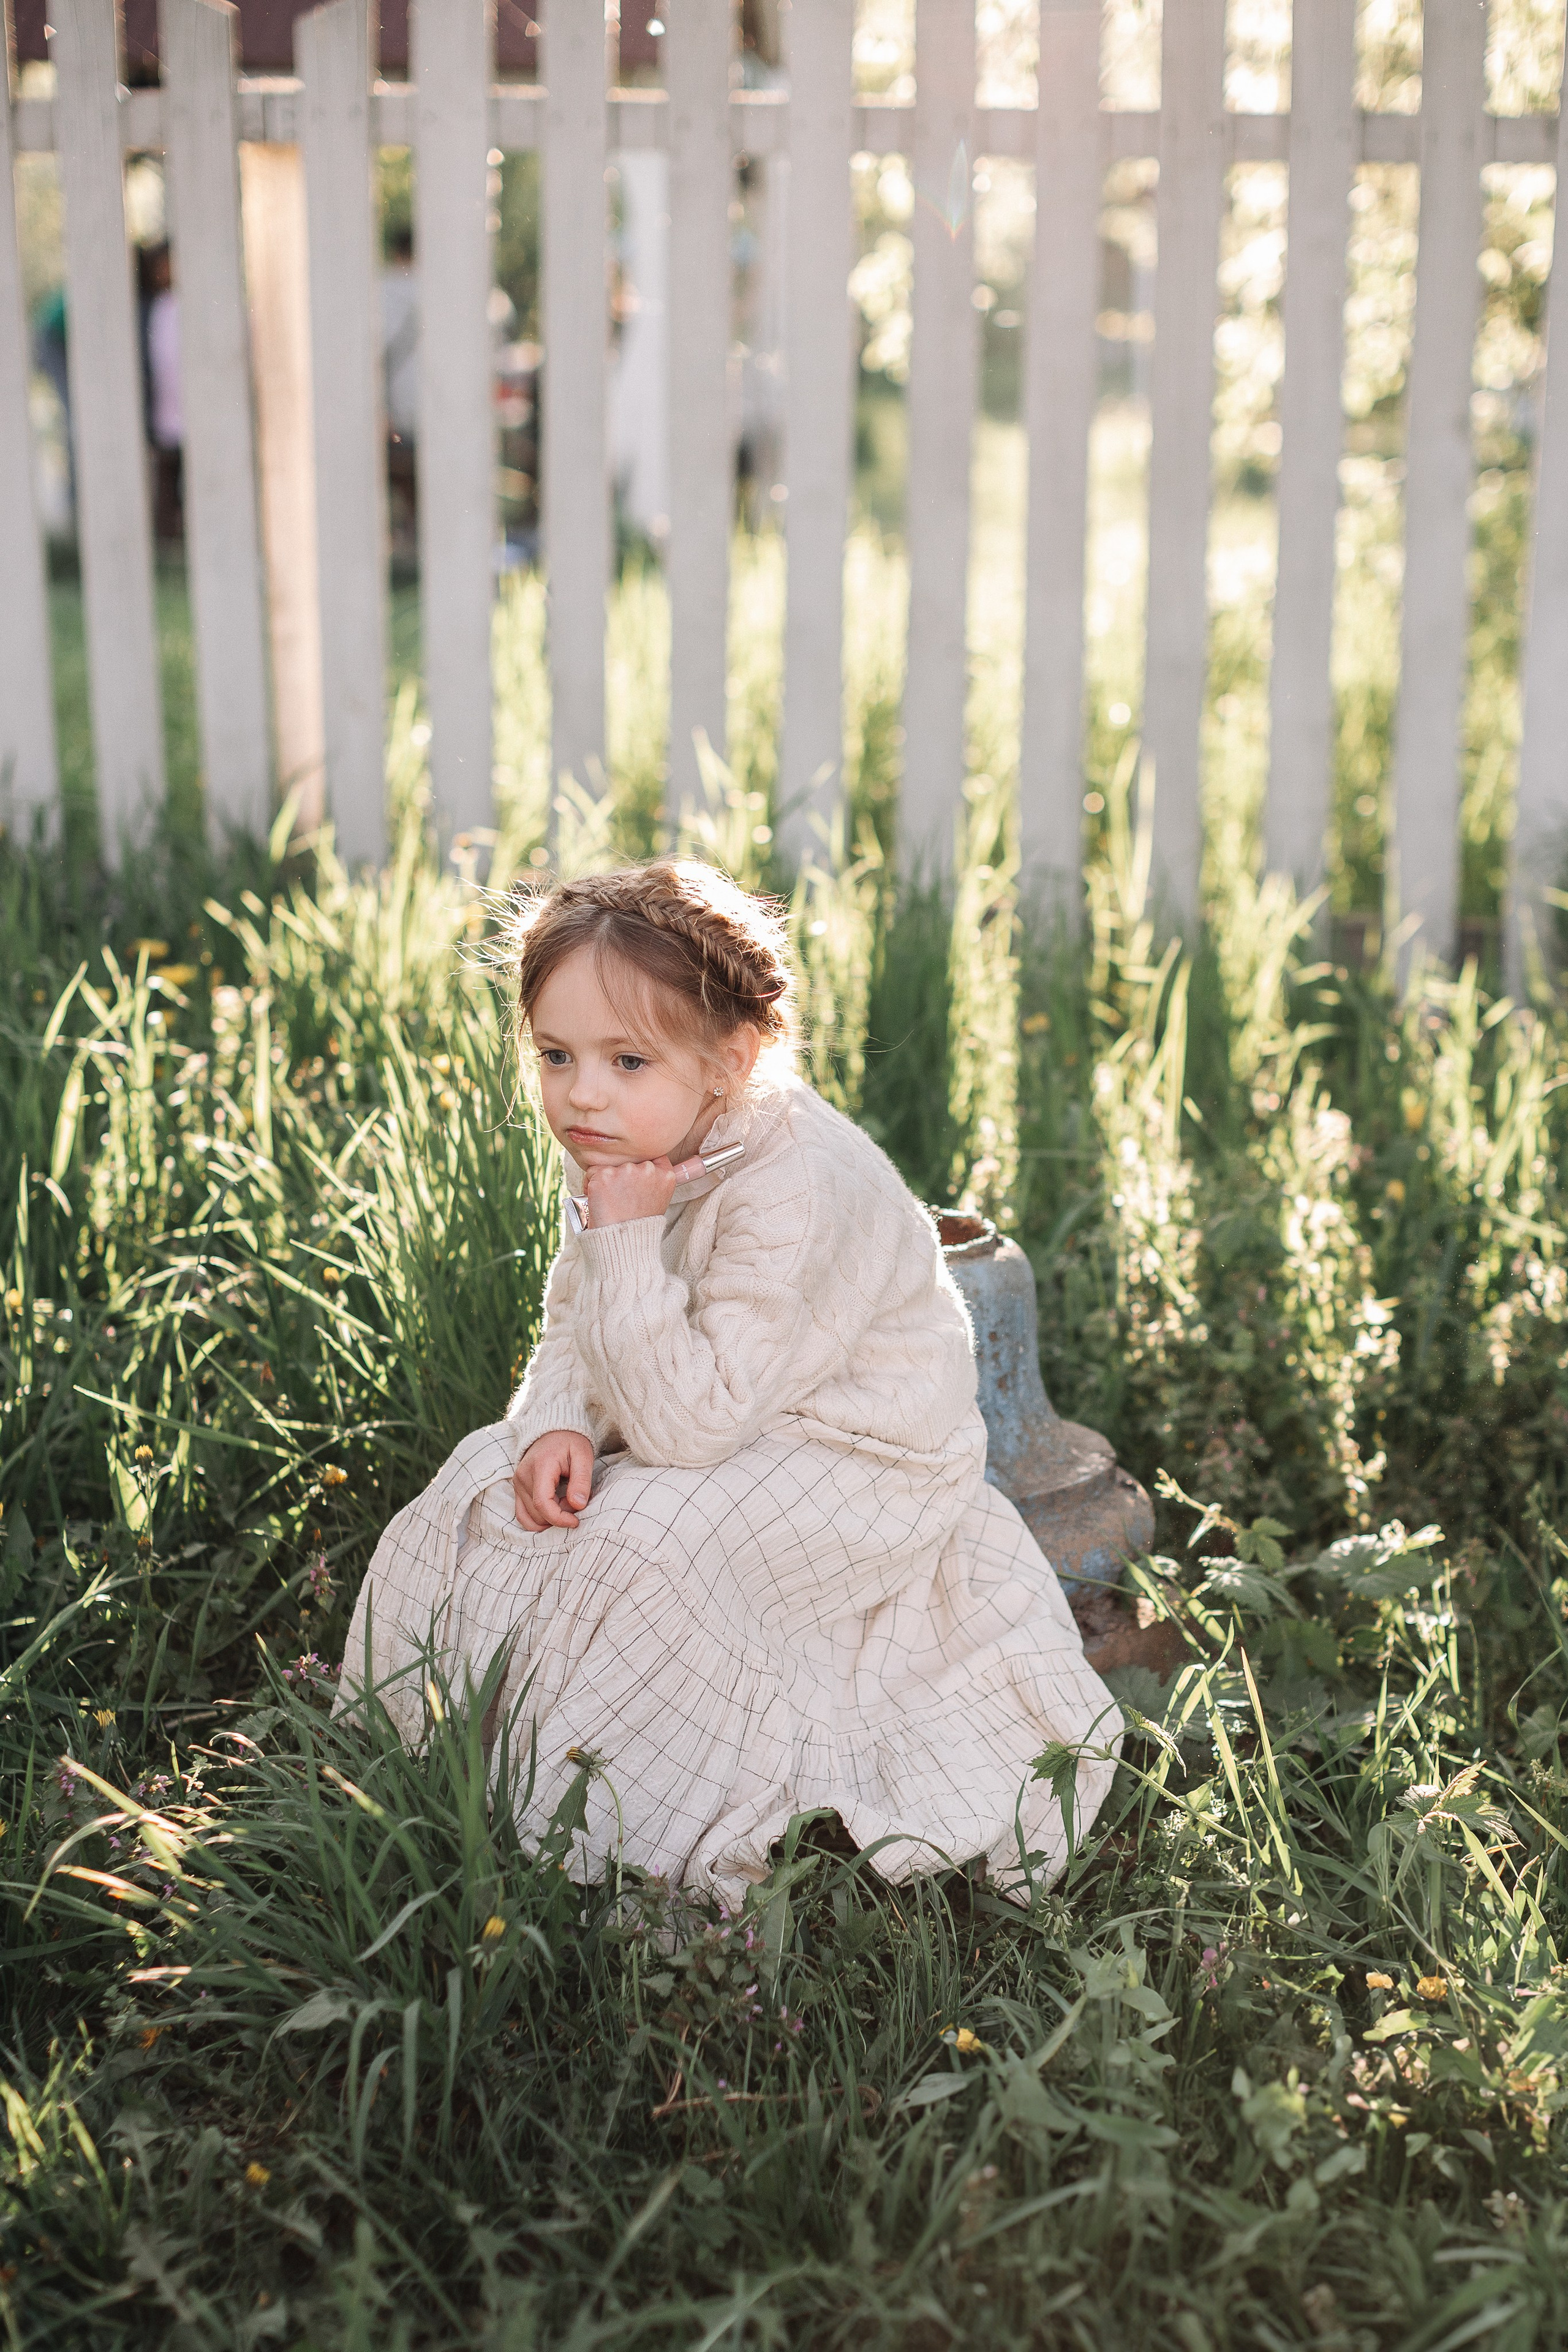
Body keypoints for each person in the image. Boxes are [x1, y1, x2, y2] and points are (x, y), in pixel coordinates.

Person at [339, 861, 1120, 1906]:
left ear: (728, 1061)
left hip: (860, 1457)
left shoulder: (797, 1184)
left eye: (624, 1058)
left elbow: (690, 1431)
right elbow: (576, 1315)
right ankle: (436, 1766)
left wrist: (622, 1240)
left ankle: (604, 1843)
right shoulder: (629, 1133)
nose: (581, 1093)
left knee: (643, 1546)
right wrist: (555, 1421)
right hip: (712, 1397)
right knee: (483, 1481)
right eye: (556, 1055)